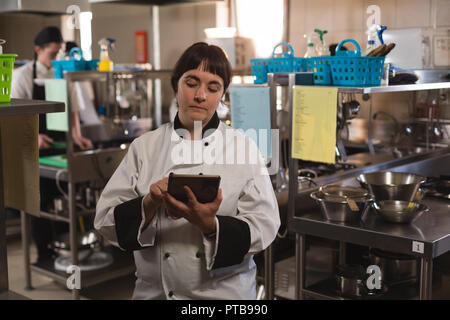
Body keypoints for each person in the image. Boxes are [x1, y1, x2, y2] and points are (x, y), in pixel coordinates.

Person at [95, 42, 280, 300]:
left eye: (212, 87)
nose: (200, 95)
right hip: (154, 294)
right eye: (191, 83)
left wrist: (211, 226)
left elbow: (265, 225)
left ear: (222, 95)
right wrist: (148, 203)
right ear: (175, 86)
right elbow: (104, 220)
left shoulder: (243, 147)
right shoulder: (145, 147)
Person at [10, 26, 93, 262]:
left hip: (61, 145)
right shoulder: (23, 75)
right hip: (35, 149)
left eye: (59, 54)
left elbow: (74, 108)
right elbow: (15, 115)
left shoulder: (63, 73)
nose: (56, 59)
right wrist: (33, 137)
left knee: (72, 200)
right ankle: (45, 254)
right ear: (38, 50)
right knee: (41, 204)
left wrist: (77, 135)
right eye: (52, 54)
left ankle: (74, 249)